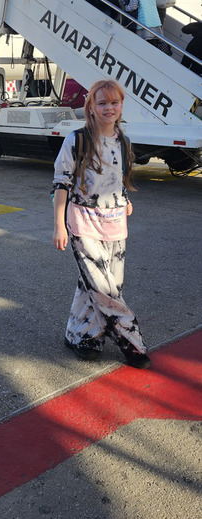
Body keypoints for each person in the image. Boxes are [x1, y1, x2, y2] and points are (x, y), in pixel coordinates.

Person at [52, 79, 151, 369]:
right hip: (83, 222)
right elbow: (61, 184)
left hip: (115, 221)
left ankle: (82, 336)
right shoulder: (77, 140)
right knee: (103, 287)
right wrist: (59, 225)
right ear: (91, 108)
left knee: (100, 284)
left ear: (121, 106)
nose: (109, 108)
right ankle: (132, 342)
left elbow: (117, 177)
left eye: (114, 103)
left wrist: (124, 200)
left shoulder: (123, 141)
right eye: (102, 103)